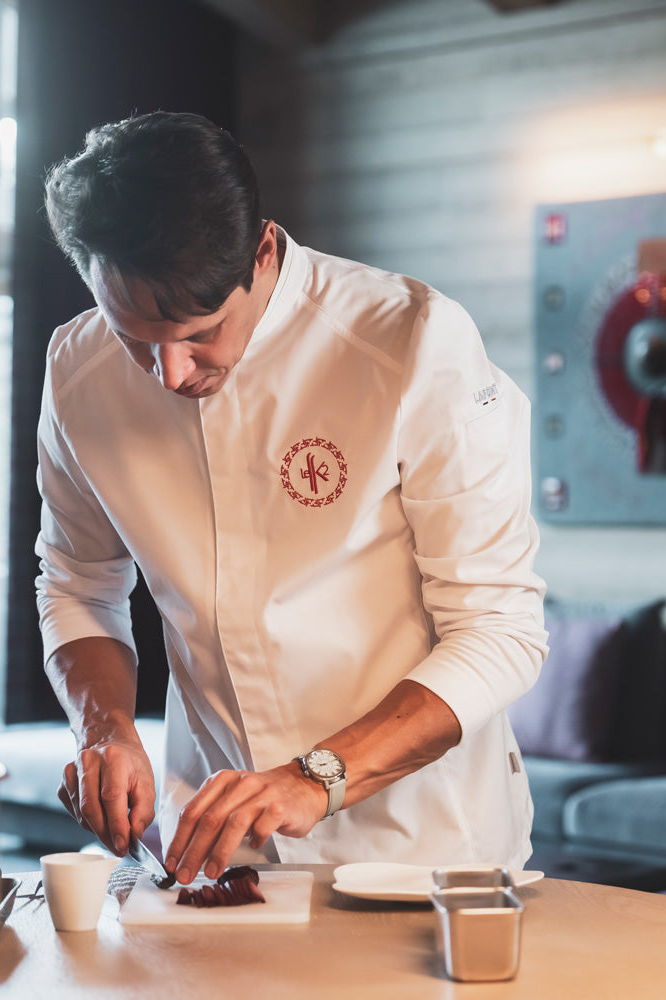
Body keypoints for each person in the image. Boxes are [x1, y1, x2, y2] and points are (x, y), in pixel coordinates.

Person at [36, 111, 547, 886]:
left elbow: (499, 630)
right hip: (217, 843)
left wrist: (316, 777)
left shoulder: (410, 342)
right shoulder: (78, 371)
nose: (169, 373)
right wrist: (103, 728)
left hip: (424, 846)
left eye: (200, 333)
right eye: (135, 339)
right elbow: (77, 584)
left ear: (263, 252)